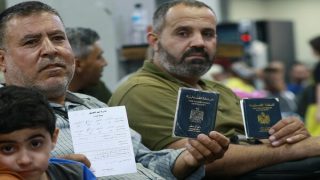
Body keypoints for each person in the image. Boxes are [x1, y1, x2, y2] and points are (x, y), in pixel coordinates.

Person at [0, 1, 229, 179]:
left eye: (58, 38)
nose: (51, 50)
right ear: (2, 61)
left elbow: (144, 160)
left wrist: (191, 157)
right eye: (31, 42)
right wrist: (51, 173)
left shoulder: (91, 105)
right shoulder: (5, 116)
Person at [109, 0, 320, 177]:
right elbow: (198, 161)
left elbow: (266, 139)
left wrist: (289, 135)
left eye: (208, 34)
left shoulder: (218, 88)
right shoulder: (140, 91)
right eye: (183, 33)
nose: (200, 42)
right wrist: (296, 149)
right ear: (154, 41)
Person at [0, 86, 96, 180]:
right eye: (8, 149)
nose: (25, 160)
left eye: (35, 144)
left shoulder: (77, 173)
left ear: (53, 138)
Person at [66, 27, 112, 104]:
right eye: (99, 57)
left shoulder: (97, 88)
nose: (105, 63)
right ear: (78, 64)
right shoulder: (46, 99)